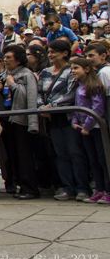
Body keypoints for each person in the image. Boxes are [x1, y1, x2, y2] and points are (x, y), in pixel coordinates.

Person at [37, 40, 87, 202]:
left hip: (68, 118)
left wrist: (51, 106)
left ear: (65, 53)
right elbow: (38, 92)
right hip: (52, 119)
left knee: (76, 153)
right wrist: (41, 107)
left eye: (54, 52)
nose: (50, 55)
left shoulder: (70, 71)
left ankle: (82, 188)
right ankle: (67, 187)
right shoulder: (44, 72)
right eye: (49, 52)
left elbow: (71, 94)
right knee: (60, 155)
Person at [70, 57, 110, 204]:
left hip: (96, 128)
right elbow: (76, 107)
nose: (73, 71)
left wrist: (87, 126)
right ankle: (99, 190)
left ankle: (108, 190)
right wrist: (75, 122)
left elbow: (98, 108)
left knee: (102, 159)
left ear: (87, 69)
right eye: (72, 68)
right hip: (83, 128)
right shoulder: (79, 86)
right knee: (93, 160)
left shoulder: (95, 86)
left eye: (76, 68)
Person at [3, 44, 40, 199]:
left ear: (18, 60)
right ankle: (19, 185)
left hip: (22, 120)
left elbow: (29, 97)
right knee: (13, 155)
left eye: (9, 57)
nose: (5, 60)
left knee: (24, 155)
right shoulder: (5, 74)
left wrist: (12, 84)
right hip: (8, 119)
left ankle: (30, 188)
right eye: (4, 57)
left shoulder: (26, 74)